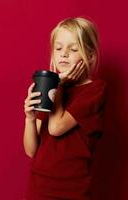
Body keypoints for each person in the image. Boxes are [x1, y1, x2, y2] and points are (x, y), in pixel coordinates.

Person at [23, 17, 106, 199]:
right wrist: (29, 118)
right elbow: (31, 151)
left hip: (72, 188)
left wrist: (58, 85)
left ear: (90, 56)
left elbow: (56, 128)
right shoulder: (49, 87)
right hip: (39, 186)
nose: (64, 54)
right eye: (58, 48)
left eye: (73, 49)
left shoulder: (94, 90)